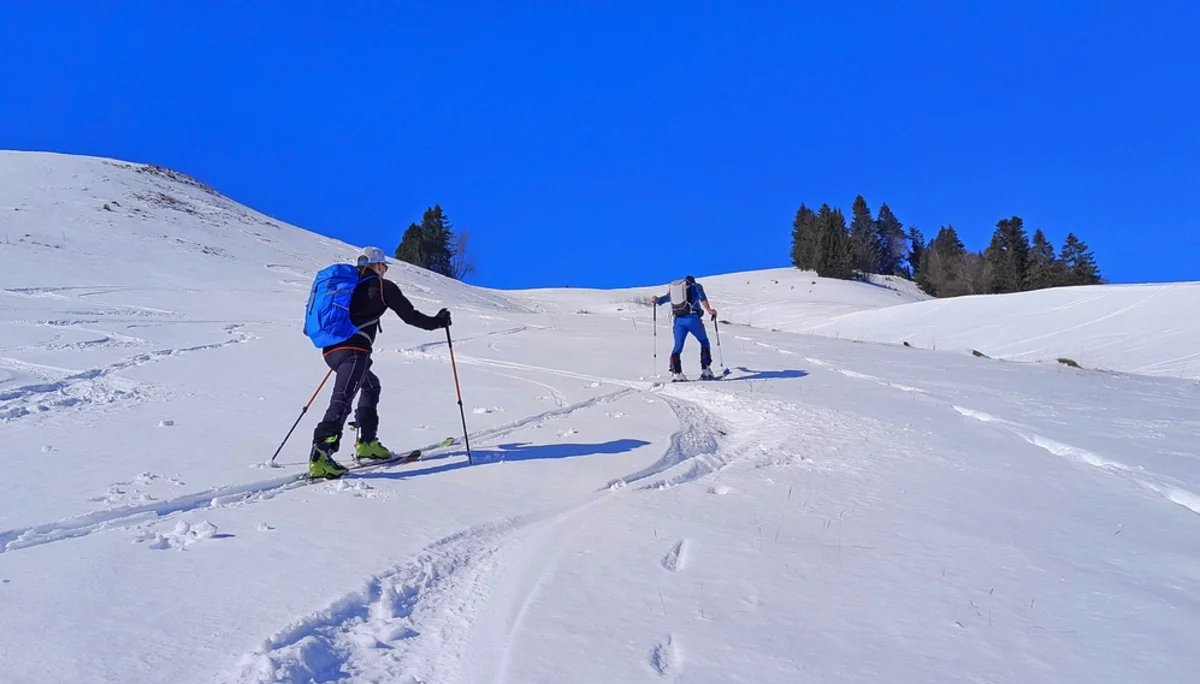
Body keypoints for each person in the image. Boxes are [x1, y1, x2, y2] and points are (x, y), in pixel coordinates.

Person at [309, 246, 452, 478]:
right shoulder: (383, 287)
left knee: (371, 386)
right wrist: (439, 322)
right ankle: (320, 455)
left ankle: (367, 443)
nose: (384, 270)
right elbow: (411, 316)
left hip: (331, 351)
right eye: (384, 266)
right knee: (343, 399)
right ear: (377, 265)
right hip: (354, 352)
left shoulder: (346, 288)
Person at [649, 275, 718, 381]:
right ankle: (706, 370)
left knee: (678, 346)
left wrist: (656, 300)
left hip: (678, 321)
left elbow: (664, 299)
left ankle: (677, 373)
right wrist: (709, 310)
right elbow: (702, 298)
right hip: (693, 319)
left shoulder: (676, 291)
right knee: (704, 341)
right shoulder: (696, 286)